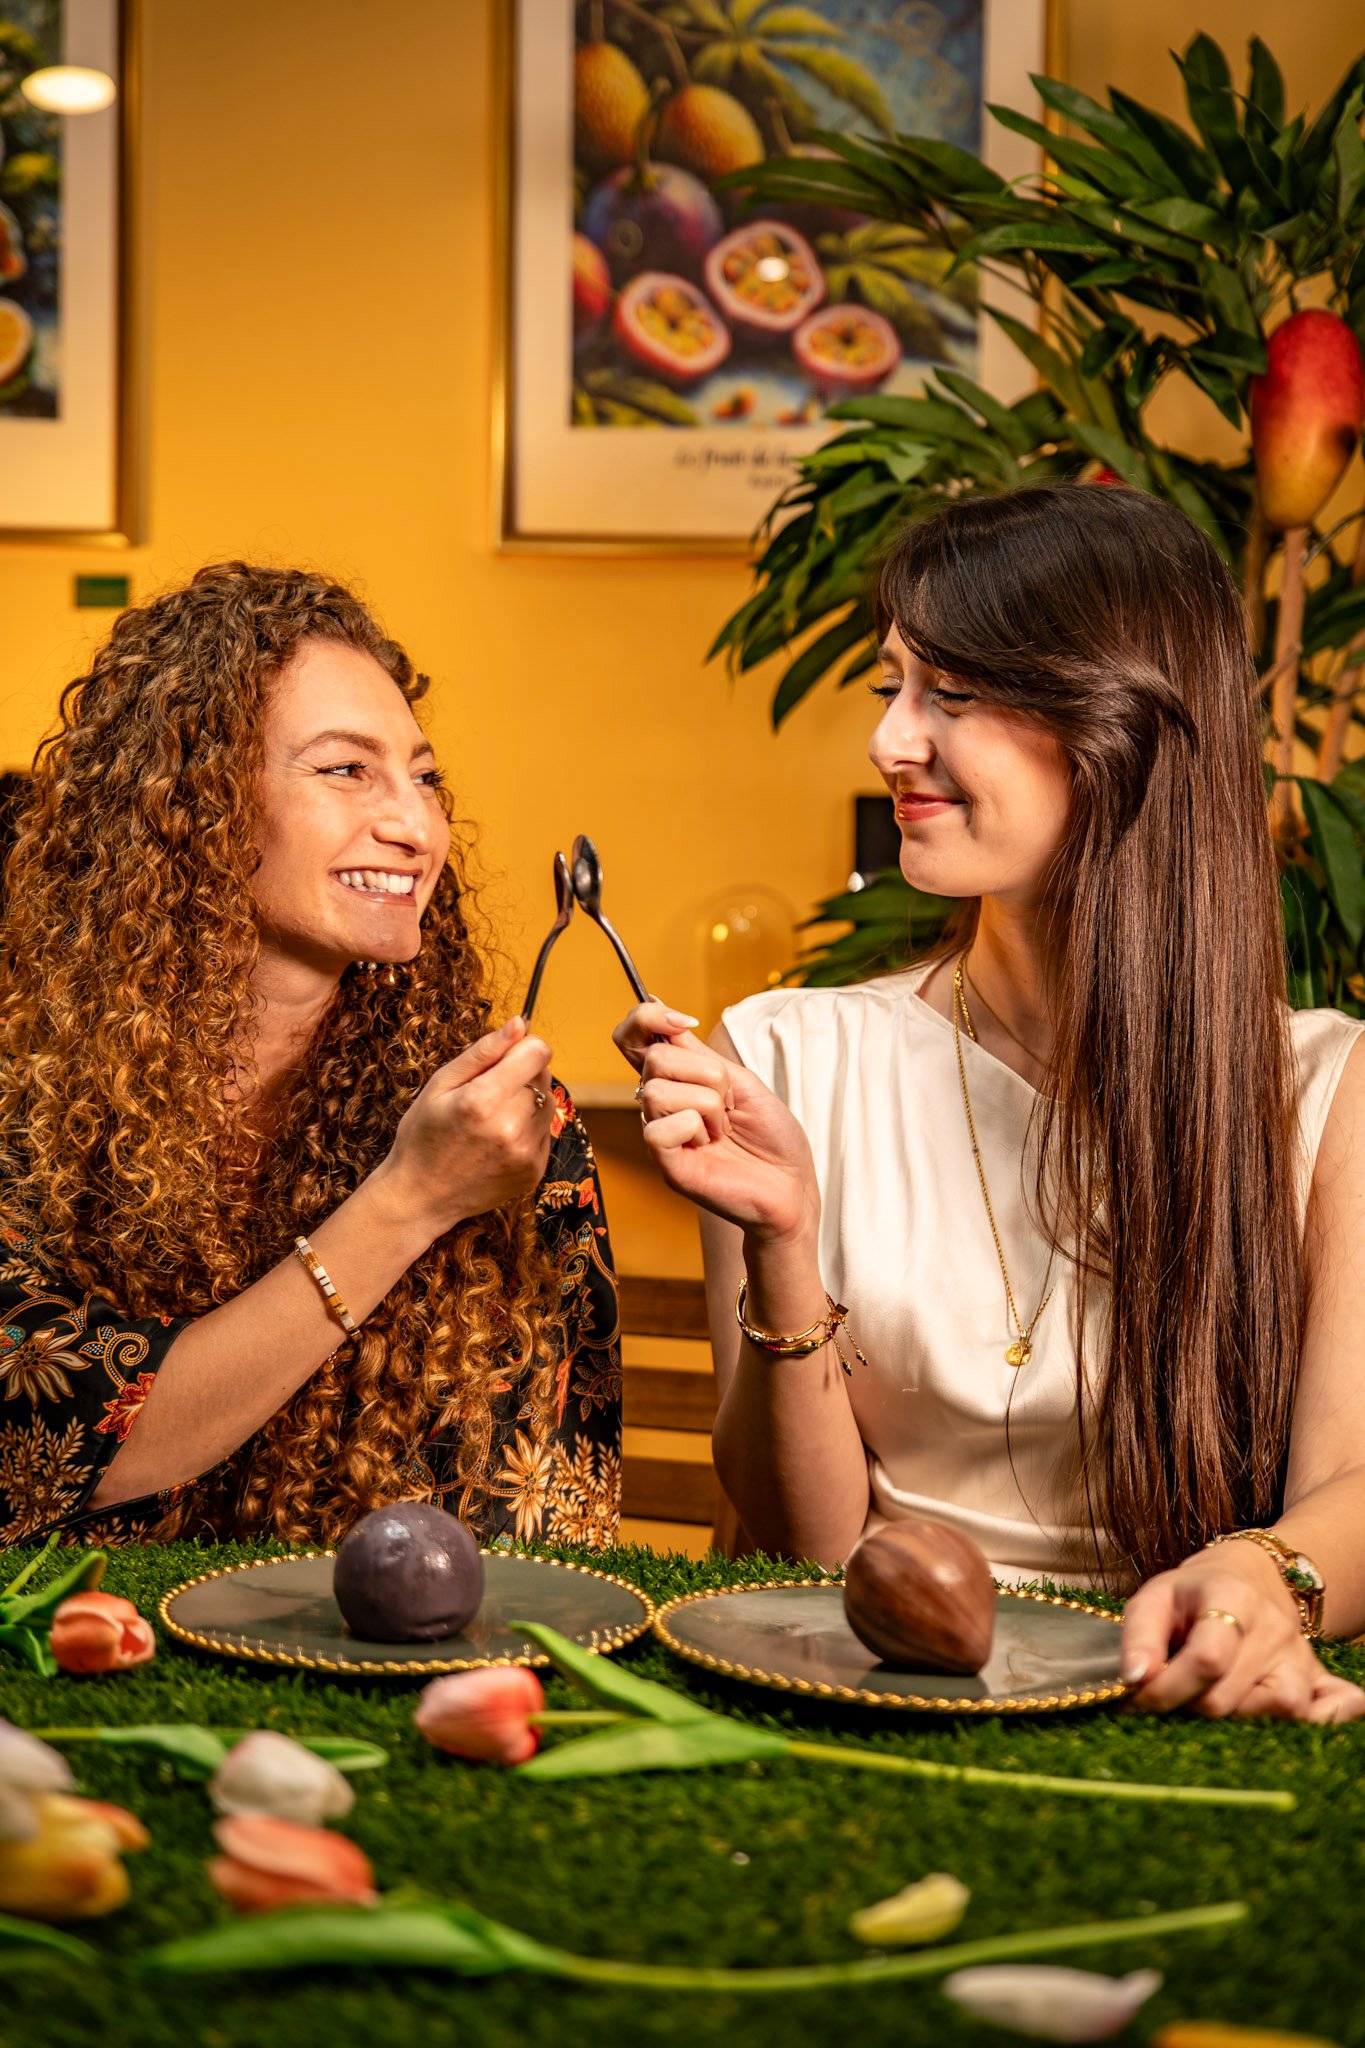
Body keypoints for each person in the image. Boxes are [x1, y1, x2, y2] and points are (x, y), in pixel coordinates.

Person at [616, 483, 1365, 1723]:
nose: (891, 741)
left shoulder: (1324, 1085)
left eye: (951, 696)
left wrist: (1261, 1572)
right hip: (880, 1696)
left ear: (1119, 724)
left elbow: (1347, 1482)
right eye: (893, 689)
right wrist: (785, 1245)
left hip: (1181, 1691)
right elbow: (806, 1544)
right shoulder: (787, 1058)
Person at [0, 563, 621, 1549]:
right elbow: (51, 1449)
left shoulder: (506, 1130)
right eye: (346, 769)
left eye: (423, 776)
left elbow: (539, 1526)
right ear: (185, 800)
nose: (414, 826)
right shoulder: (23, 1108)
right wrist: (408, 1200)